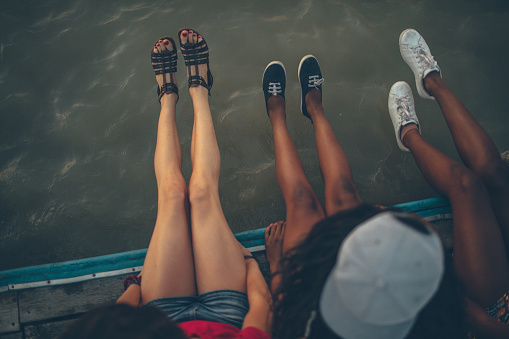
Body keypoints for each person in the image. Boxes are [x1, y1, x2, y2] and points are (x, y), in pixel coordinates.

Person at [61, 29, 271, 339]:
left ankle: (168, 97)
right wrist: (251, 263)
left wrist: (137, 286)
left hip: (161, 318)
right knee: (200, 194)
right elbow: (260, 307)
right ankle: (199, 90)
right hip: (227, 313)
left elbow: (115, 323)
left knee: (173, 195)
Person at [261, 54, 465, 337]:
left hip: (314, 290)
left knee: (300, 201)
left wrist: (277, 267)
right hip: (369, 281)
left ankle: (276, 115)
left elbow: (284, 317)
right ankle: (314, 108)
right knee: (344, 193)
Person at [388, 29, 509, 338]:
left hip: (498, 317)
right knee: (494, 173)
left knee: (467, 185)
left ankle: (408, 135)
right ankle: (432, 81)